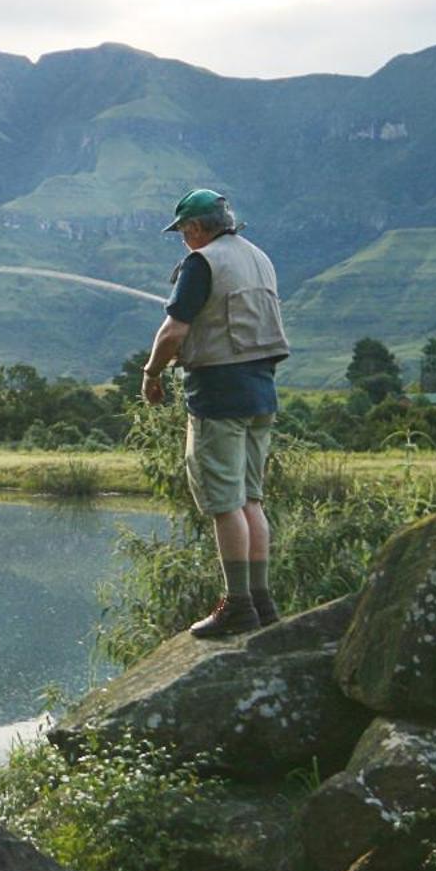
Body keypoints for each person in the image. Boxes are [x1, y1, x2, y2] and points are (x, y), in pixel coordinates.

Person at [139, 189, 291, 637]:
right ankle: (261, 602)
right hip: (261, 393)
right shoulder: (259, 257)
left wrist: (151, 374)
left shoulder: (202, 262)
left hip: (218, 395)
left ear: (197, 228)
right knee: (250, 499)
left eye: (184, 232)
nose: (184, 241)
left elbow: (173, 331)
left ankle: (237, 605)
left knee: (224, 503)